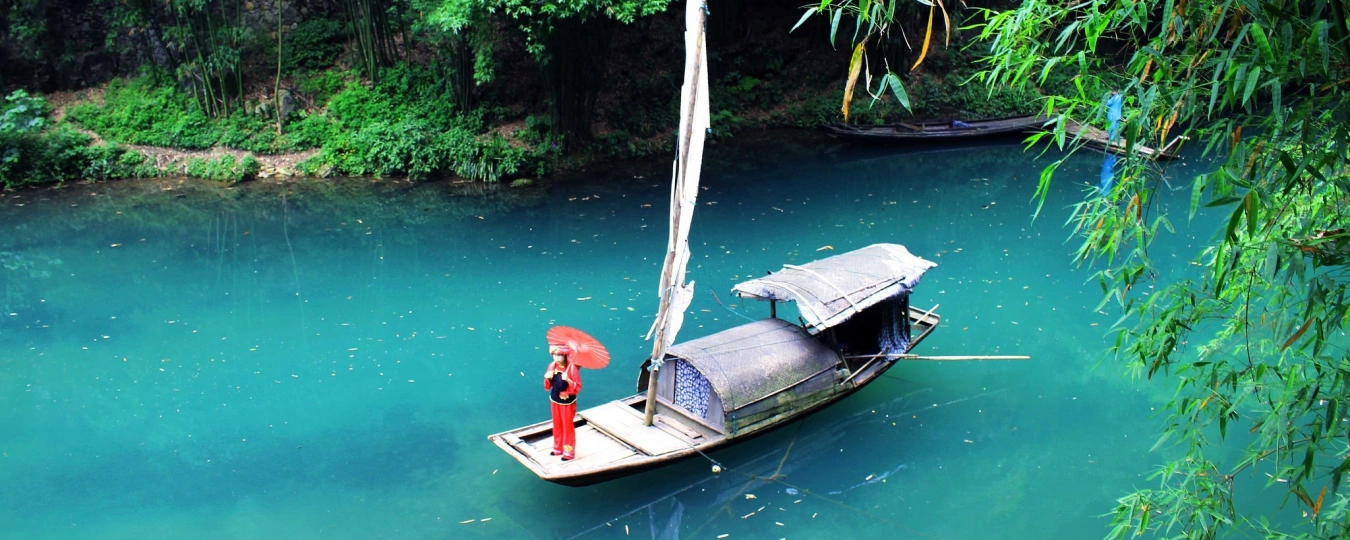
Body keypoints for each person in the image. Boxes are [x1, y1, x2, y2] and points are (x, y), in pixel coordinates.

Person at [543, 345, 582, 460]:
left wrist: (568, 380)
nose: (557, 358)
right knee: (557, 424)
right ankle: (557, 448)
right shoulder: (551, 366)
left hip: (567, 402)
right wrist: (547, 377)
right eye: (555, 355)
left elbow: (578, 387)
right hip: (555, 399)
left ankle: (568, 452)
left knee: (567, 426)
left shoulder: (572, 368)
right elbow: (547, 385)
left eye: (559, 355)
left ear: (565, 355)